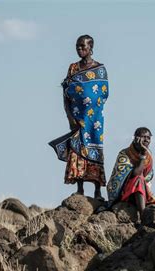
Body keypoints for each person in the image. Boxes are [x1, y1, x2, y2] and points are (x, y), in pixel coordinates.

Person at [50, 34, 108, 200]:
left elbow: (104, 92)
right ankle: (80, 189)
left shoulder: (100, 69)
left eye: (83, 46)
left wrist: (91, 105)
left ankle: (97, 192)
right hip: (76, 117)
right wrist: (70, 117)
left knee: (95, 148)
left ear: (91, 47)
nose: (80, 49)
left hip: (95, 119)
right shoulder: (73, 68)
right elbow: (66, 92)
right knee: (76, 148)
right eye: (77, 46)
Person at [107, 127, 155, 221]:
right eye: (143, 137)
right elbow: (135, 173)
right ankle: (142, 214)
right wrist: (142, 156)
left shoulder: (148, 155)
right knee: (138, 178)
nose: (146, 140)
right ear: (136, 138)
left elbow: (149, 175)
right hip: (124, 192)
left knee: (140, 179)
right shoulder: (125, 153)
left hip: (143, 190)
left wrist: (144, 154)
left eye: (148, 137)